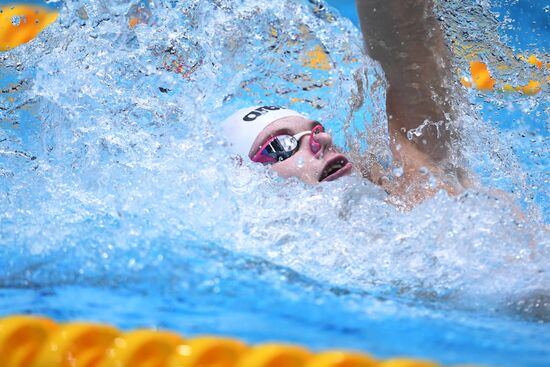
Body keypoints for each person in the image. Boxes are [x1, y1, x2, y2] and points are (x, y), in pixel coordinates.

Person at [222, 0, 470, 207]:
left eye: (317, 131)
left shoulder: (423, 198)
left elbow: (405, 41)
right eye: (280, 145)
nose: (322, 141)